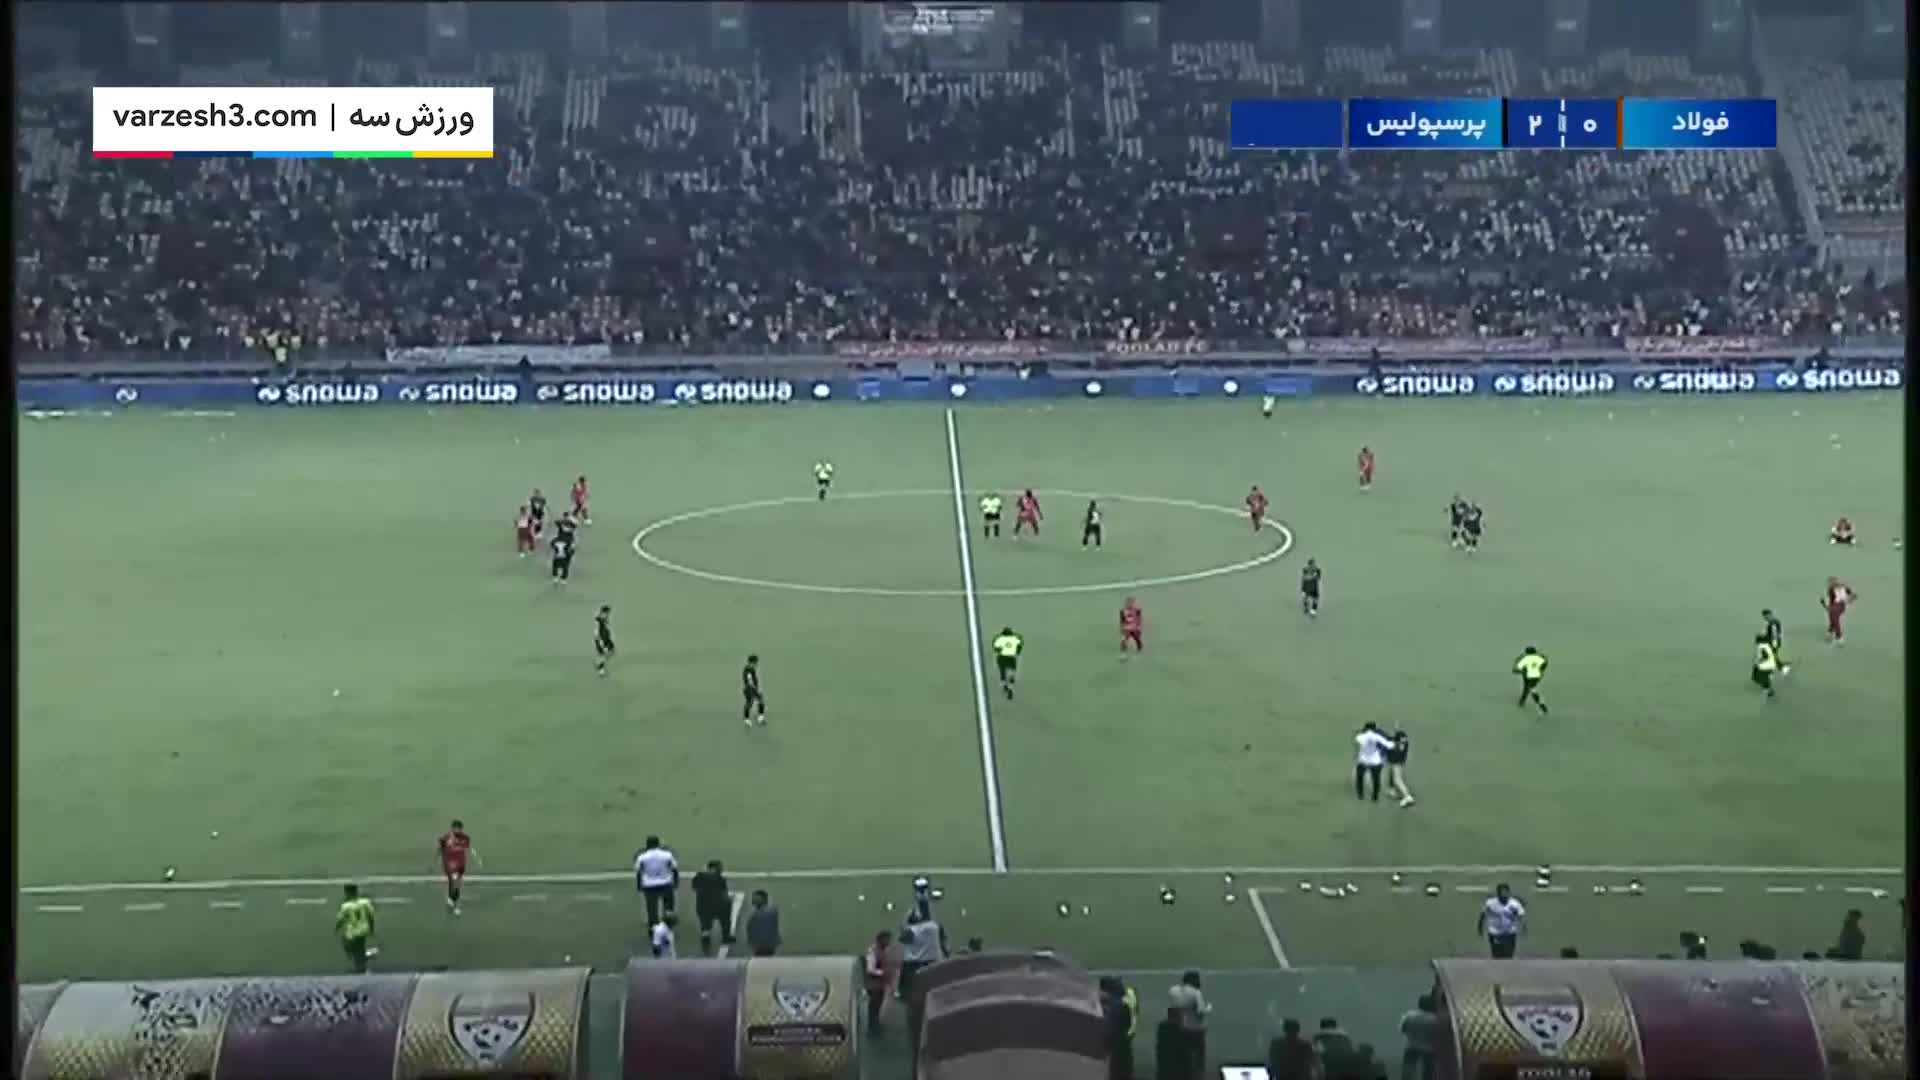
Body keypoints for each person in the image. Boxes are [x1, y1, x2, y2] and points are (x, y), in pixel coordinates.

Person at [898, 908, 947, 1002]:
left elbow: (903, 939)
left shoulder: (911, 930)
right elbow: (942, 940)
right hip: (934, 961)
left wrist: (903, 925)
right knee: (935, 991)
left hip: (914, 964)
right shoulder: (935, 926)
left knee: (911, 994)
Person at [1166, 970, 1210, 1075]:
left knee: (1184, 1052)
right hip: (1196, 1029)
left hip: (1181, 1027)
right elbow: (1200, 1012)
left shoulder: (1174, 991)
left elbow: (1172, 1009)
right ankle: (1198, 1072)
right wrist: (1207, 1008)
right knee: (1199, 1053)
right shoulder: (1196, 993)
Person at [634, 836, 678, 925]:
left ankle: (652, 925)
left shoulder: (642, 857)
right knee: (668, 905)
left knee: (651, 907)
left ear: (647, 844)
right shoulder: (667, 854)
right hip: (666, 883)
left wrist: (639, 885)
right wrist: (676, 882)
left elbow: (639, 871)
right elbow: (674, 869)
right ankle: (668, 922)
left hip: (649, 885)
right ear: (658, 844)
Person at [692, 859, 733, 954]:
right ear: (714, 868)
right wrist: (729, 900)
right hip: (718, 905)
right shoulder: (720, 878)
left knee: (705, 923)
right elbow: (724, 893)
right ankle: (726, 936)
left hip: (703, 905)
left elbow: (694, 887)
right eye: (720, 867)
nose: (721, 869)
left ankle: (705, 937)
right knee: (725, 920)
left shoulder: (699, 876)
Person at [437, 819, 477, 914]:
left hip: (461, 863)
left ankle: (450, 898)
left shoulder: (465, 838)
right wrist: (437, 860)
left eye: (459, 829)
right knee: (455, 882)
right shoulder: (445, 838)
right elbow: (440, 849)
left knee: (455, 882)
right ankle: (456, 905)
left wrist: (475, 857)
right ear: (452, 828)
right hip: (450, 863)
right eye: (455, 828)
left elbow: (468, 848)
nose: (457, 830)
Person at [1099, 976, 1135, 1080]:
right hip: (1122, 1047)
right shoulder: (1121, 1003)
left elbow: (1109, 1031)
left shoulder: (1114, 1006)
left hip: (1115, 1049)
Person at [1399, 993, 1441, 1080]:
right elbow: (1438, 1035)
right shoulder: (1435, 1019)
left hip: (1411, 1045)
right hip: (1428, 1048)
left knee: (1408, 1069)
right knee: (1428, 1071)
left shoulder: (1409, 1015)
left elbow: (1403, 1029)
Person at [336, 884, 376, 973]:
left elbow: (340, 919)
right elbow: (371, 916)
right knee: (359, 949)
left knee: (351, 948)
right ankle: (365, 959)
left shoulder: (345, 906)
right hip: (364, 930)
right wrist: (372, 929)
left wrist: (337, 928)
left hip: (352, 932)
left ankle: (362, 967)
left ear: (347, 892)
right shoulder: (365, 902)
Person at [1478, 884, 1527, 958]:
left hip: (1510, 933)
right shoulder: (1490, 903)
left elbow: (1521, 916)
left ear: (1509, 893)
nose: (1504, 896)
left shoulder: (1515, 904)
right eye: (1502, 893)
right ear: (1498, 894)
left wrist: (1524, 928)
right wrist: (1480, 927)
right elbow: (1483, 915)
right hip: (1495, 932)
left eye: (1506, 893)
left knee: (1509, 955)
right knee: (1496, 954)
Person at [1354, 722, 1392, 802]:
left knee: (1359, 777)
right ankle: (1375, 797)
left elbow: (1357, 743)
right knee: (1376, 779)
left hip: (1363, 760)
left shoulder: (1359, 737)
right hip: (1375, 761)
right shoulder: (1377, 736)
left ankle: (1360, 794)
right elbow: (1389, 745)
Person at [863, 930, 893, 1033]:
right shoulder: (873, 952)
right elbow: (870, 969)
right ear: (881, 940)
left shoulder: (884, 950)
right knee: (874, 1006)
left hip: (880, 985)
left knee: (878, 1006)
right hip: (873, 985)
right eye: (887, 939)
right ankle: (872, 1028)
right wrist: (883, 973)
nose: (889, 941)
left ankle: (875, 1025)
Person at [1154, 1006, 1190, 1080]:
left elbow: (1159, 1047)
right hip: (1177, 1066)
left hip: (1165, 1064)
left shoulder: (1162, 1027)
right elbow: (1184, 1051)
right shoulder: (1181, 1029)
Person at [745, 889, 782, 957]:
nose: (752, 900)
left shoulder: (757, 914)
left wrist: (751, 941)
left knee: (762, 957)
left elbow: (749, 928)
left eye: (755, 898)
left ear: (763, 899)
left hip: (761, 944)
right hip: (768, 944)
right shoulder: (772, 911)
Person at [1513, 646, 1549, 714]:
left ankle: (1542, 706)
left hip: (1527, 676)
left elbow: (1517, 668)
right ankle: (1522, 701)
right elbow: (1545, 662)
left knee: (1530, 689)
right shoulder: (1538, 658)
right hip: (1536, 677)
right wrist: (1541, 669)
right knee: (1528, 688)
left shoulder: (1525, 659)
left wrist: (1517, 669)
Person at [1385, 728, 1415, 808]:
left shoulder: (1395, 745)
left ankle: (1407, 796)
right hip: (1400, 761)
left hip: (1396, 763)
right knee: (1391, 773)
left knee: (1397, 779)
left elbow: (1390, 744)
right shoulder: (1405, 743)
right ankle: (1392, 790)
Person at [992, 627, 1023, 700]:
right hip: (1011, 658)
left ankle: (1004, 684)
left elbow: (995, 648)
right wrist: (1017, 652)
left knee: (1002, 672)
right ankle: (1010, 688)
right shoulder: (1015, 639)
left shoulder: (1000, 639)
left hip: (1002, 658)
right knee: (1012, 673)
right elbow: (1020, 646)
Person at [1823, 578, 1853, 644]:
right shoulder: (1831, 590)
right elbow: (1830, 600)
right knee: (1833, 619)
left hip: (1840, 605)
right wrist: (1827, 606)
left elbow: (1853, 595)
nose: (1831, 584)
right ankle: (1830, 631)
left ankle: (1839, 636)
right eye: (1830, 583)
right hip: (1833, 606)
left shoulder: (1844, 588)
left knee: (1835, 618)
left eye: (1832, 582)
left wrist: (1849, 600)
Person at [1761, 608, 1789, 675]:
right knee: (1771, 655)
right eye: (1764, 616)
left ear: (1769, 615)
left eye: (1765, 616)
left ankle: (1782, 668)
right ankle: (1780, 666)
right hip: (1772, 642)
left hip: (1774, 642)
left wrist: (1773, 642)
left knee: (1771, 656)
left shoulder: (1773, 623)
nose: (1764, 618)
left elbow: (1774, 634)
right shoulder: (1772, 622)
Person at [1752, 632, 1780, 699]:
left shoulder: (1761, 646)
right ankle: (1768, 686)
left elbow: (1765, 655)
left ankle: (1768, 689)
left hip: (1766, 665)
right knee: (1758, 675)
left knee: (1756, 676)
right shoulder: (1767, 645)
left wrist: (1760, 660)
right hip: (1771, 664)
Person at [742, 654, 767, 726]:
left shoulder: (751, 668)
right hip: (749, 689)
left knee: (760, 701)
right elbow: (750, 680)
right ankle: (747, 720)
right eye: (755, 662)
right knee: (750, 703)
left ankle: (760, 717)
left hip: (752, 688)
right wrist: (755, 690)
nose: (756, 664)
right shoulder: (748, 670)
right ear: (752, 662)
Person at [549, 516, 576, 584]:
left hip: (562, 549)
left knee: (559, 565)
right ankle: (561, 578)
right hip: (565, 549)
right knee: (563, 565)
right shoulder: (566, 530)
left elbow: (552, 544)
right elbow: (557, 522)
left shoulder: (568, 532)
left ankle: (558, 577)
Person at [594, 605, 615, 676]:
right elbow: (597, 631)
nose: (608, 614)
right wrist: (600, 642)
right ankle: (601, 669)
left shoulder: (605, 618)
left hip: (606, 638)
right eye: (607, 612)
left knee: (611, 651)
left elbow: (607, 627)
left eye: (608, 613)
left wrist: (610, 635)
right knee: (603, 654)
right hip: (601, 639)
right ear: (603, 612)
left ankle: (599, 662)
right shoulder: (599, 620)